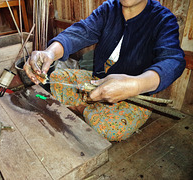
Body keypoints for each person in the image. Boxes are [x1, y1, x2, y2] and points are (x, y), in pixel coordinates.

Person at [24, 0, 185, 141]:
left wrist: (135, 85)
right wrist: (50, 53)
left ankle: (82, 108)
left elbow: (173, 60)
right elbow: (80, 32)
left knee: (112, 129)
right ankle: (91, 109)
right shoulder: (108, 9)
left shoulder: (163, 19)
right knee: (58, 77)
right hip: (98, 81)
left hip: (137, 95)